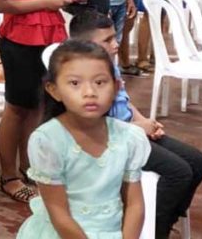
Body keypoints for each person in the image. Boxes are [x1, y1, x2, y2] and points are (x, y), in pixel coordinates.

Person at [69, 11, 202, 239]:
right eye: (107, 41)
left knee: (197, 161)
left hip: (130, 131)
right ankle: (153, 230)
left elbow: (124, 101)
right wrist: (134, 129)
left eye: (115, 37)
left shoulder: (107, 65)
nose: (116, 45)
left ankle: (165, 217)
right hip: (111, 140)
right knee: (179, 172)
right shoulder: (79, 77)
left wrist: (143, 120)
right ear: (84, 44)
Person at [0, 0, 86, 203]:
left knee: (36, 105)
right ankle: (8, 176)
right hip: (19, 40)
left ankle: (28, 165)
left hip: (45, 34)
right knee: (16, 107)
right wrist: (46, 2)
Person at [17, 40, 147, 238]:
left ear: (116, 87)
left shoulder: (129, 137)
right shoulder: (48, 141)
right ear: (54, 90)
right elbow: (58, 213)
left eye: (100, 82)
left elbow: (135, 204)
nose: (90, 92)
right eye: (75, 83)